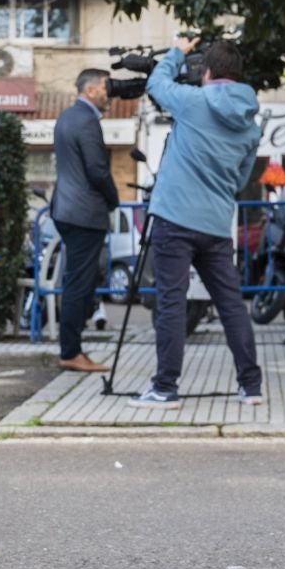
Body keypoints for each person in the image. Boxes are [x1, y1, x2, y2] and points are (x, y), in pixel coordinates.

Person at [128, 37, 264, 408]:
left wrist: (177, 51)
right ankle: (251, 386)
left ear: (207, 72)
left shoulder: (194, 102)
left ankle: (165, 387)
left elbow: (156, 84)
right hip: (216, 224)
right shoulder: (251, 124)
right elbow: (239, 180)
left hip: (174, 217)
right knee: (231, 304)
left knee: (172, 302)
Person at [50, 68, 118, 373]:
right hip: (84, 214)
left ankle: (71, 348)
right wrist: (114, 199)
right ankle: (71, 352)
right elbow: (97, 170)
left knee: (76, 281)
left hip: (65, 209)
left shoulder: (66, 117)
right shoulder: (88, 121)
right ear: (91, 90)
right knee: (80, 283)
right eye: (106, 87)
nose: (110, 92)